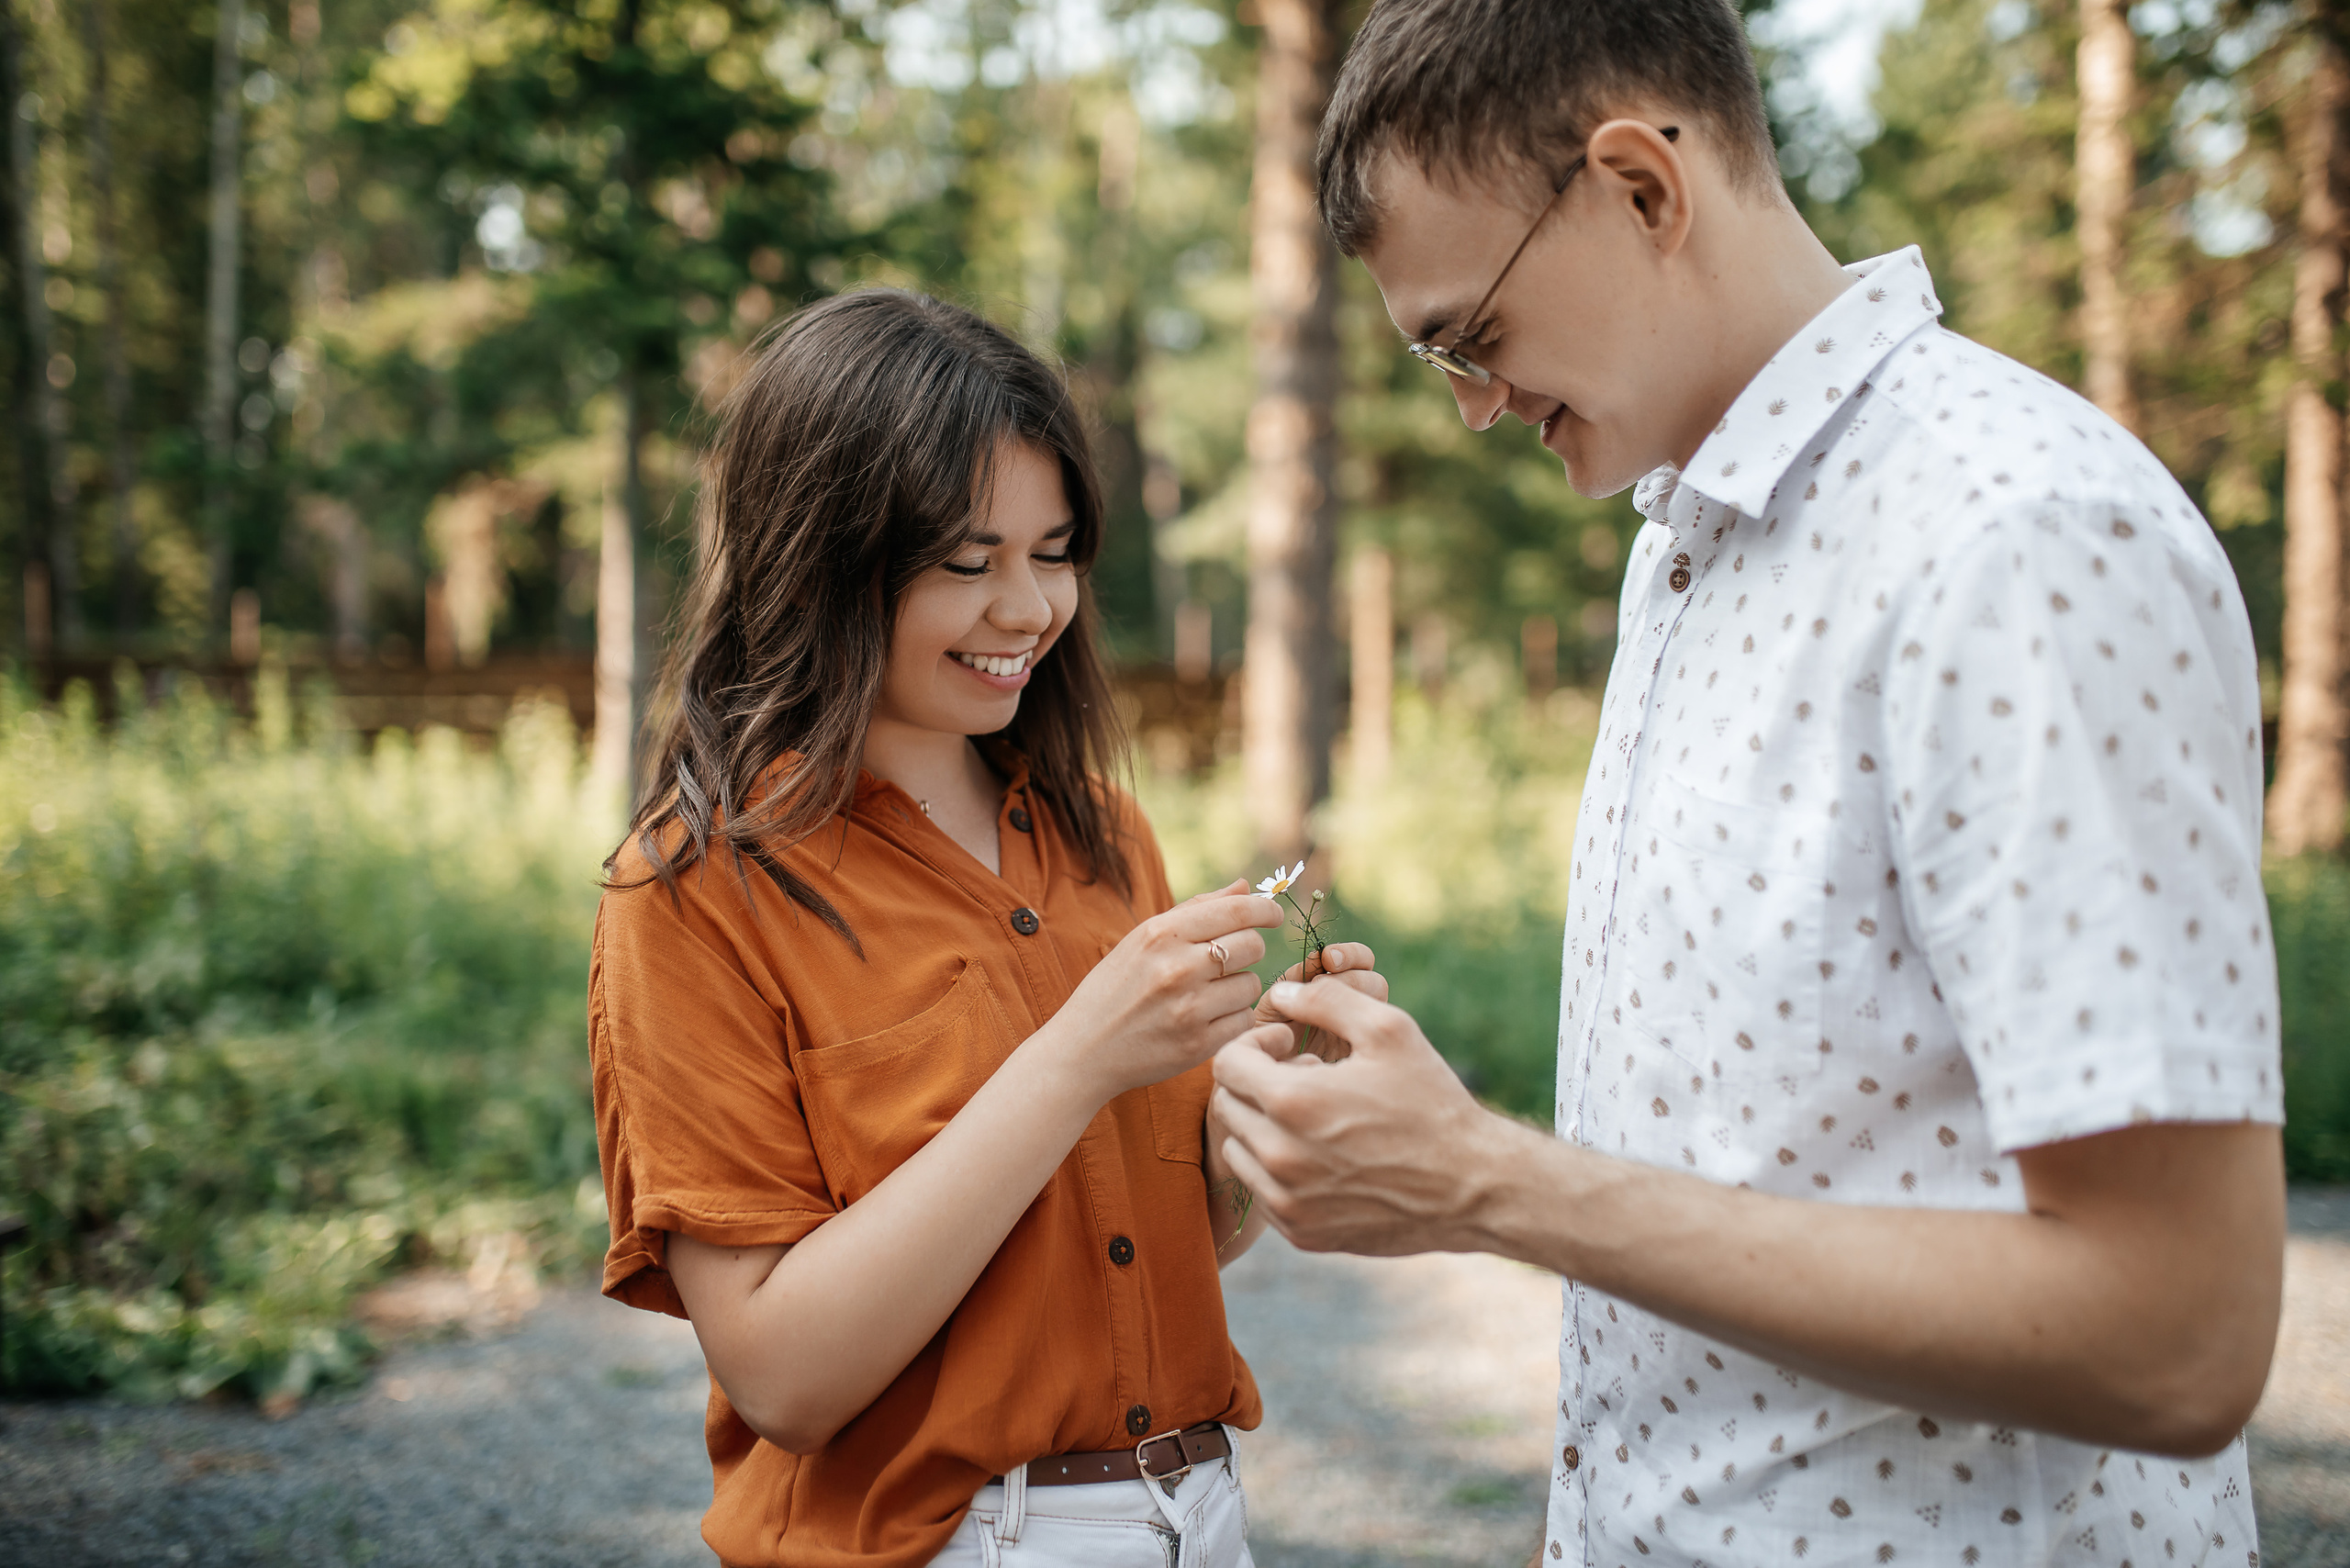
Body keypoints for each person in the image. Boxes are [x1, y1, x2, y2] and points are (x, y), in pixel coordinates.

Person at [1208, 3, 2288, 1564]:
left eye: (1470, 335)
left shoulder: (2015, 542)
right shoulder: (1683, 548)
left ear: (1641, 187)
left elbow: (2175, 1336)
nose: (1473, 403)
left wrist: (1484, 1180)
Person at [588, 289, 1382, 1568]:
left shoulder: (1103, 834)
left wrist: (1257, 1108)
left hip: (1198, 1517)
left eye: (1053, 553)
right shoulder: (696, 891)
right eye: (969, 563)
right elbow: (783, 1377)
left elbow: (1167, 1250)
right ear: (821, 557)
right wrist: (1077, 1059)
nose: (1028, 609)